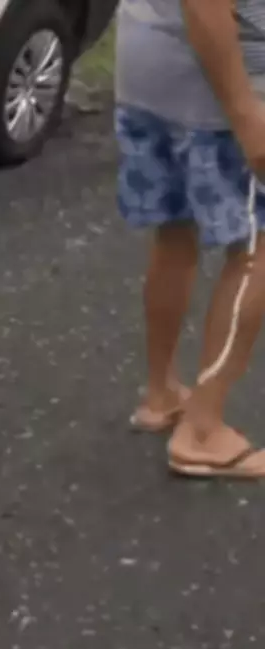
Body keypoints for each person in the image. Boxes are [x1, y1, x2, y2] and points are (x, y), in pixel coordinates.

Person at [116, 0, 265, 477]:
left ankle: (161, 394)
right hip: (218, 89)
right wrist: (247, 117)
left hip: (149, 66)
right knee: (257, 249)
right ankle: (202, 431)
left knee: (175, 231)